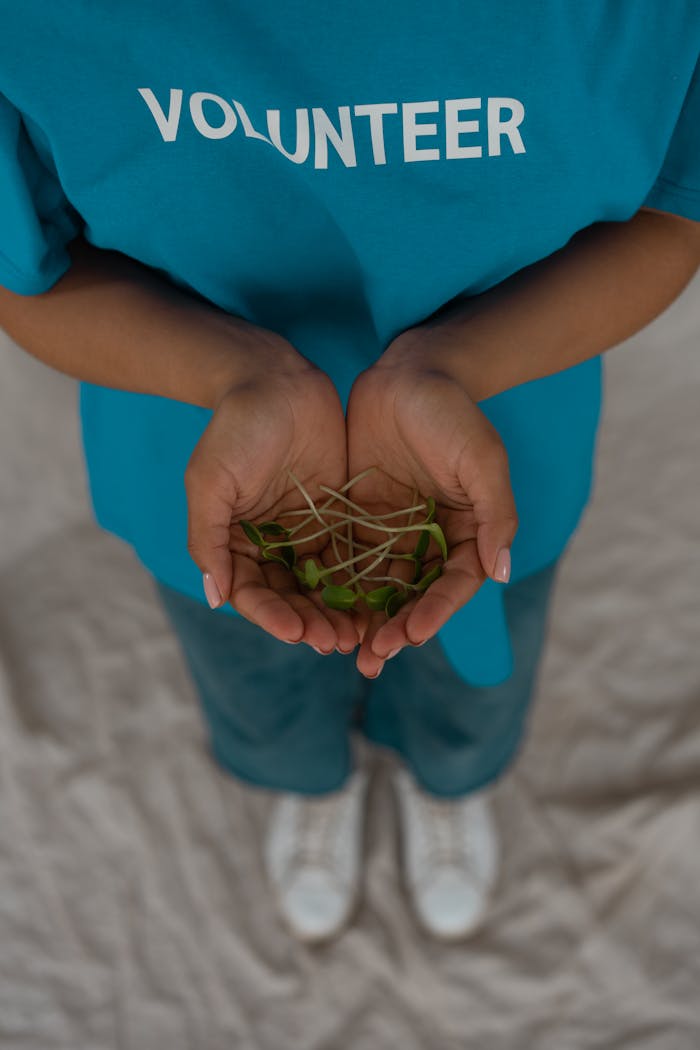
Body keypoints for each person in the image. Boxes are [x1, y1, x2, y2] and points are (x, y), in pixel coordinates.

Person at [0, 4, 698, 944]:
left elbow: (673, 208)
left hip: (499, 443)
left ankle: (446, 781)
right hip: (199, 458)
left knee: (472, 676)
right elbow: (24, 272)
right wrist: (235, 374)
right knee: (256, 672)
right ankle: (309, 782)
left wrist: (453, 365)